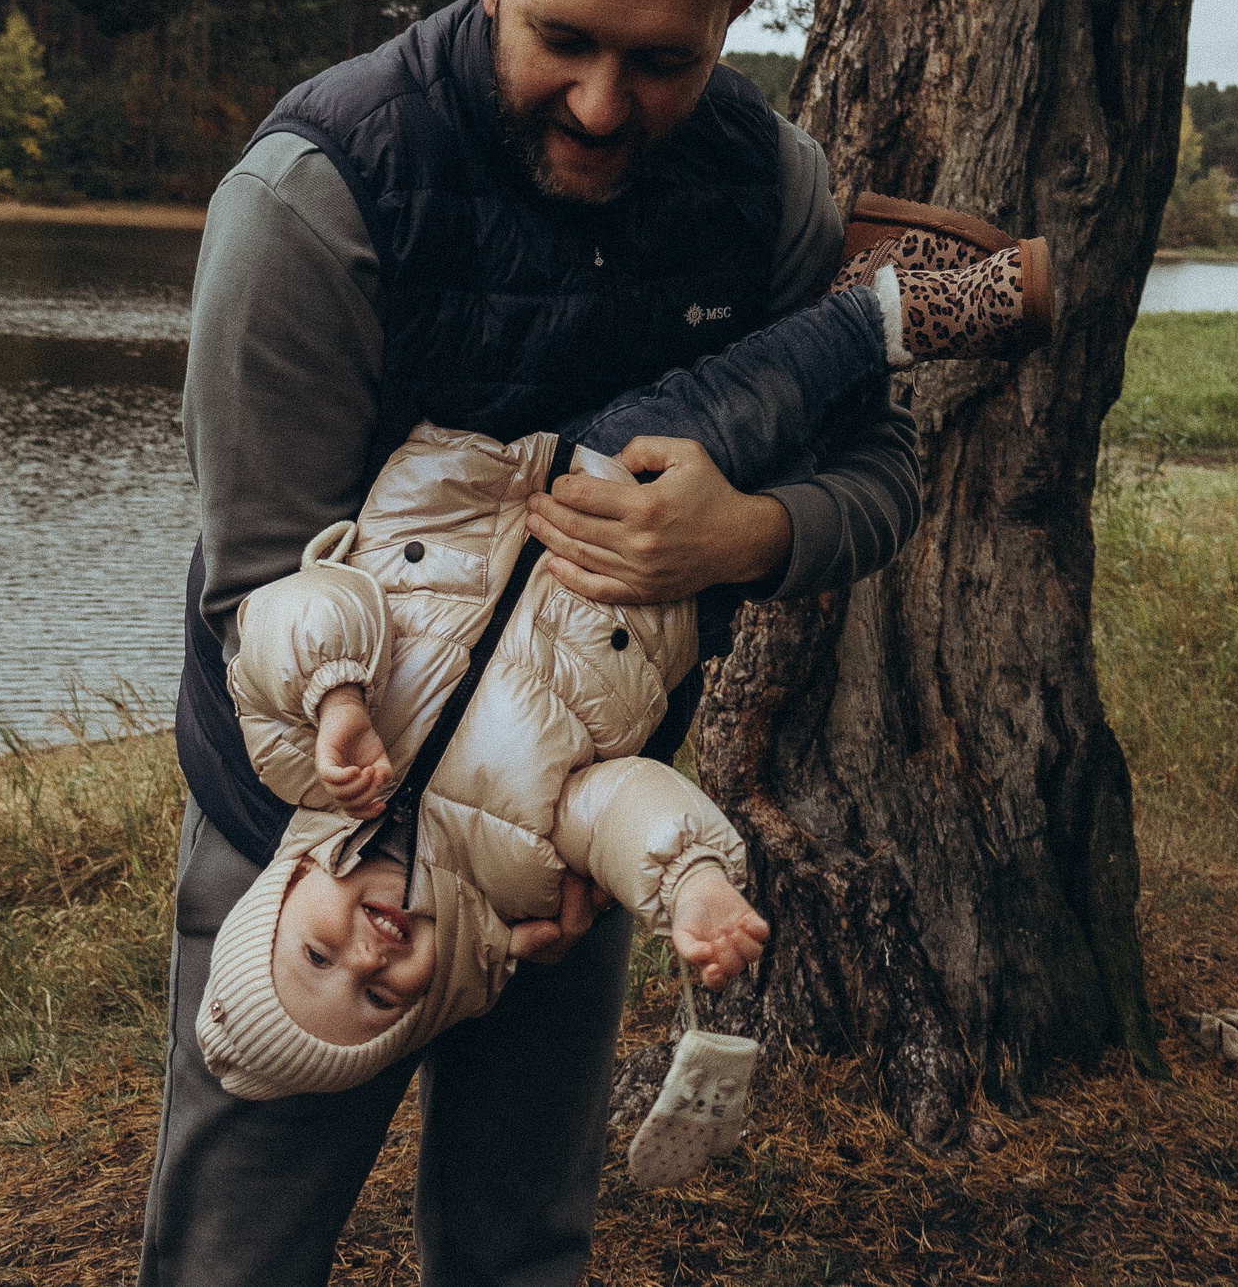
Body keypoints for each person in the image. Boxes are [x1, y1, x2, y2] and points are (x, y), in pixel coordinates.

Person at [142, 0, 932, 1287]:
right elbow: (259, 592)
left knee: (521, 1251)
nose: (600, 102)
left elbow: (881, 475)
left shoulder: (769, 190)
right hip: (305, 857)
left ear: (736, 6)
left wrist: (742, 540)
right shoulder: (316, 198)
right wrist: (363, 867)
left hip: (573, 819)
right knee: (234, 1262)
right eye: (563, 38)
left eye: (663, 58)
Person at [196, 233, 1046, 1102]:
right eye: (377, 995)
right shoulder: (517, 878)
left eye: (315, 952)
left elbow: (290, 616)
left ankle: (892, 312)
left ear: (288, 886)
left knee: (738, 402)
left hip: (505, 489)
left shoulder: (302, 766)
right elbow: (616, 807)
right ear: (427, 1003)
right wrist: (690, 882)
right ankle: (860, 283)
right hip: (644, 580)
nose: (363, 953)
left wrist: (335, 695)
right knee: (799, 440)